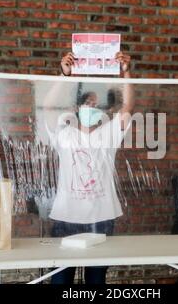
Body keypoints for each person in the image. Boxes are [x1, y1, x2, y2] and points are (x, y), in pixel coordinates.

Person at [42, 51, 134, 284]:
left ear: (102, 111)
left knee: (96, 280)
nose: (91, 107)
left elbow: (127, 107)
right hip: (66, 216)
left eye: (96, 104)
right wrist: (65, 75)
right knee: (61, 280)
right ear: (77, 108)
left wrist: (126, 73)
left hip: (101, 217)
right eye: (87, 103)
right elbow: (48, 107)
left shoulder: (108, 134)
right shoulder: (65, 134)